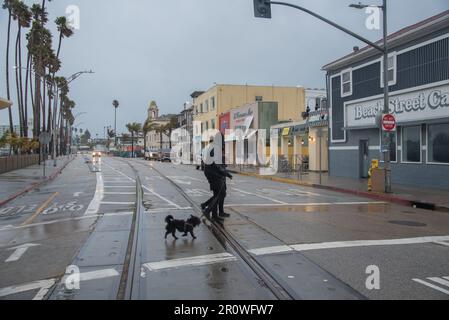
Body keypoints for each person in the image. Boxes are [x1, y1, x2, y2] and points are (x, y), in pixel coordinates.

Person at [201, 133, 232, 221]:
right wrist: (225, 173)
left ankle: (214, 214)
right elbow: (216, 164)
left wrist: (224, 171)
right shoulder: (215, 148)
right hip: (213, 174)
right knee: (221, 194)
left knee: (218, 194)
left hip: (213, 173)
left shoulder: (215, 147)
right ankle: (208, 210)